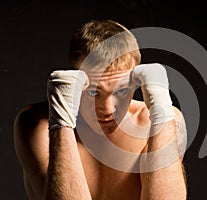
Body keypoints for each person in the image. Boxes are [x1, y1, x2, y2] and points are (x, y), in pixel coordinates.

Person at [14, 19, 187, 200]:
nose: (107, 108)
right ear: (75, 81)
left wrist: (162, 111)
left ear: (136, 83)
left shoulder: (156, 123)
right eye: (93, 92)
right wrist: (62, 121)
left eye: (121, 90)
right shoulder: (37, 125)